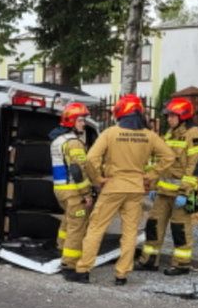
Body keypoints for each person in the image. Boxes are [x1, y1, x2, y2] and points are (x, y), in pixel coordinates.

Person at [67, 95, 174, 285]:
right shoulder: (149, 135)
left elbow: (91, 159)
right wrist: (150, 175)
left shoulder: (110, 133)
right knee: (130, 232)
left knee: (96, 228)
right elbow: (169, 157)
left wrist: (98, 179)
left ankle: (83, 270)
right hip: (135, 189)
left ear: (121, 112)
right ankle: (122, 274)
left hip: (113, 187)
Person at [139, 97, 198, 275]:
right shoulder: (169, 133)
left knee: (180, 229)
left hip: (182, 194)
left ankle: (181, 264)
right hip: (163, 192)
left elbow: (196, 165)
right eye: (168, 116)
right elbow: (161, 162)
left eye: (172, 116)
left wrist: (185, 192)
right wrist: (153, 186)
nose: (169, 119)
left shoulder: (195, 133)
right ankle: (149, 261)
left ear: (183, 116)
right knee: (153, 225)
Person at [49, 102, 92, 273]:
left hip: (61, 189)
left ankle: (60, 248)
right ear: (71, 122)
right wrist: (87, 193)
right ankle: (70, 263)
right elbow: (78, 170)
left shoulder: (58, 140)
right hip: (73, 190)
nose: (83, 123)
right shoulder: (73, 143)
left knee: (68, 220)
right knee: (77, 226)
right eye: (80, 120)